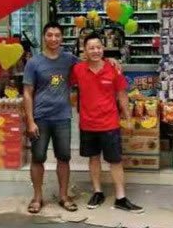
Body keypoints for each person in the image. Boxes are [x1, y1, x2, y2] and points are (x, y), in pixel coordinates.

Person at [70, 32, 144, 213]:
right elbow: (66, 86)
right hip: (87, 124)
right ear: (84, 51)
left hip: (110, 123)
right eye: (91, 48)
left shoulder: (113, 69)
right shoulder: (78, 70)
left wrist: (128, 118)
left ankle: (121, 197)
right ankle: (98, 192)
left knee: (115, 160)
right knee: (93, 158)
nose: (95, 51)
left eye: (98, 47)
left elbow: (122, 94)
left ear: (103, 49)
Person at [23, 22, 78, 214]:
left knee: (64, 157)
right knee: (38, 158)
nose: (53, 39)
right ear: (44, 37)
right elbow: (27, 93)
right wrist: (30, 121)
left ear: (62, 38)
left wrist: (111, 60)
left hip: (62, 117)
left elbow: (90, 63)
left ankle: (64, 196)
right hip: (40, 117)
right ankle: (37, 197)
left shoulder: (69, 59)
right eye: (50, 35)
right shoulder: (34, 63)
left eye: (57, 35)